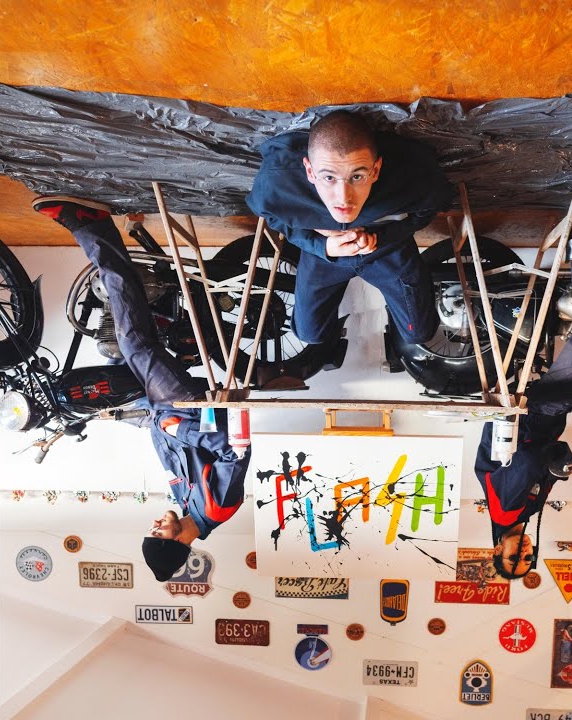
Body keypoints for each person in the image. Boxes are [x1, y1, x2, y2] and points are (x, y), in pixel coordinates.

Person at [32, 195, 251, 582]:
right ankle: (90, 225)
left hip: (158, 409)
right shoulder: (217, 508)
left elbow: (167, 445)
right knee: (133, 342)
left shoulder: (185, 503)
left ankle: (145, 287)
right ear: (178, 541)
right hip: (183, 405)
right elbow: (235, 450)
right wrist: (176, 429)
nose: (155, 525)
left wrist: (130, 419)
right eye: (157, 533)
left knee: (100, 381)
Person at [473, 224, 572, 579]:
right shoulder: (524, 513)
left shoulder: (506, 511)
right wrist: (558, 469)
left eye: (515, 557)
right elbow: (545, 466)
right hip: (541, 417)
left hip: (532, 415)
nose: (524, 552)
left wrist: (556, 465)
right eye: (529, 558)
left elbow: (527, 460)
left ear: (497, 550)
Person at [246, 110, 454, 346]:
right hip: (323, 256)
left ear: (375, 170)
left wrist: (381, 237)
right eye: (329, 178)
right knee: (309, 335)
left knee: (419, 334)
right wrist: (320, 244)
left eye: (357, 177)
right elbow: (270, 216)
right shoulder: (277, 184)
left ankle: (395, 311)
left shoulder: (412, 178)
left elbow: (432, 206)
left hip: (387, 250)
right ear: (310, 171)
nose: (343, 198)